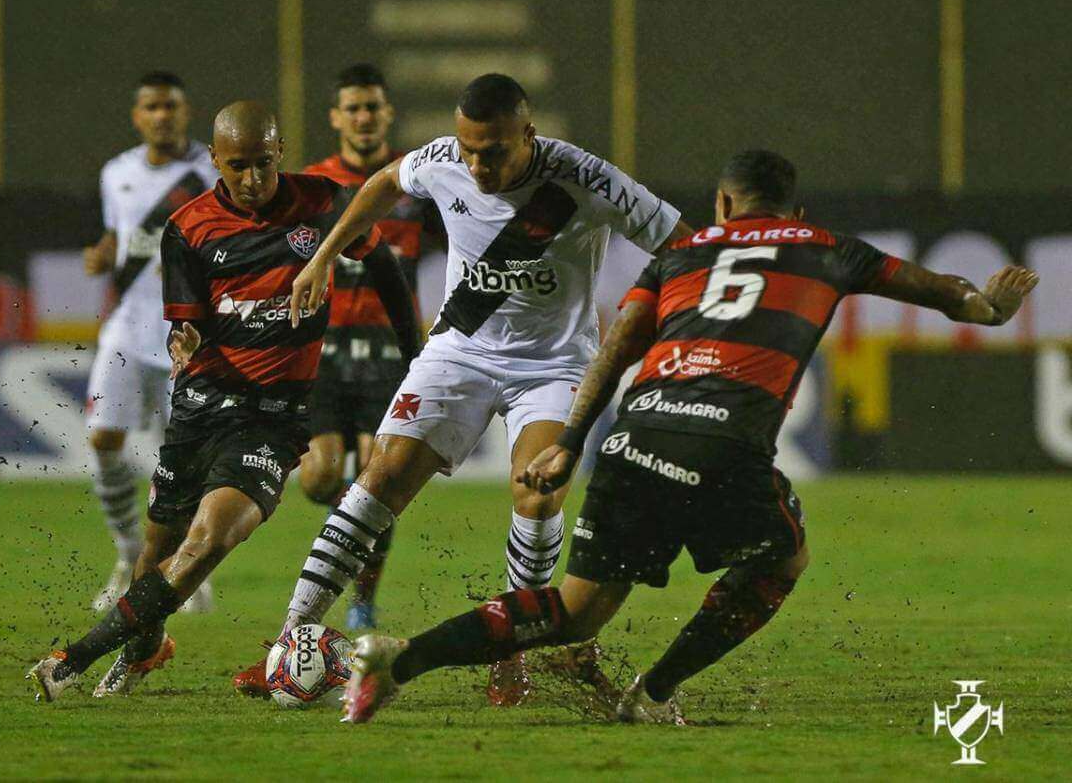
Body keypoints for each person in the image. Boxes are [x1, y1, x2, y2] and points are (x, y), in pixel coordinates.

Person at [336, 149, 1040, 724]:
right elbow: (938, 289)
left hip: (636, 436)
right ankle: (655, 692)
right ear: (793, 213)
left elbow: (616, 344)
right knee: (782, 558)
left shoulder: (683, 252)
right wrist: (986, 306)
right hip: (725, 442)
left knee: (574, 613)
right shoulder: (827, 247)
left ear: (724, 204)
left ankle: (398, 660)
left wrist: (573, 440)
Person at [280, 73, 692, 705]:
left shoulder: (588, 179)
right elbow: (385, 183)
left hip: (553, 367)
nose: (475, 165)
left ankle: (510, 648)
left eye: (493, 152)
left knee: (536, 491)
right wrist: (323, 257)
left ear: (527, 134)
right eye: (468, 148)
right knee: (384, 473)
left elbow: (684, 244)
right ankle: (291, 638)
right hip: (459, 350)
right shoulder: (441, 159)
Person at [27, 101, 419, 702]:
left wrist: (413, 349)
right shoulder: (187, 228)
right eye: (238, 166)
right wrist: (181, 339)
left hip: (275, 418)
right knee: (155, 554)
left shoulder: (322, 203)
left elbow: (385, 260)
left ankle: (74, 657)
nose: (253, 179)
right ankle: (144, 650)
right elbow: (186, 323)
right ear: (216, 160)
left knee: (209, 540)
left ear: (280, 150)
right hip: (202, 407)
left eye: (263, 163)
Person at [299, 63, 442, 631]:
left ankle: (362, 598)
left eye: (372, 107)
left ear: (387, 114)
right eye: (353, 107)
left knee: (377, 472)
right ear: (336, 117)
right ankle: (345, 523)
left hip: (388, 349)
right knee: (319, 476)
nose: (363, 117)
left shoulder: (415, 183)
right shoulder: (314, 185)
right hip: (326, 349)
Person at [81, 72, 219, 613]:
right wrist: (101, 252)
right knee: (102, 439)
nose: (162, 115)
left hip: (185, 330)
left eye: (171, 106)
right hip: (127, 323)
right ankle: (127, 552)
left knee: (182, 457)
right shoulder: (117, 172)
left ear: (186, 113)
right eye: (152, 107)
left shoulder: (212, 171)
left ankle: (187, 566)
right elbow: (120, 236)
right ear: (138, 116)